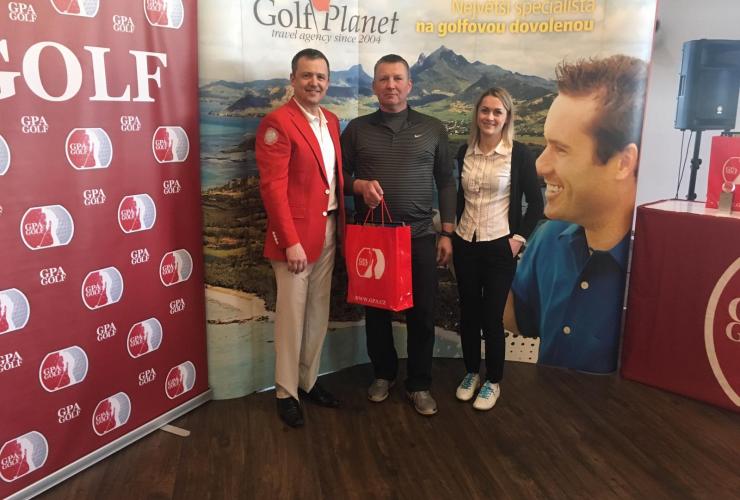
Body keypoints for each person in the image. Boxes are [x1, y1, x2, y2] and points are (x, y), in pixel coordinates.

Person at [504, 55, 648, 373]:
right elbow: (520, 321)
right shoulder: (548, 238)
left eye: (561, 149)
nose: (540, 165)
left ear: (624, 163)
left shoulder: (661, 269)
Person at [341, 54, 456, 416]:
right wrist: (358, 186)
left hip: (419, 236)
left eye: (397, 78)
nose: (390, 85)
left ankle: (419, 384)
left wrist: (447, 232)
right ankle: (383, 374)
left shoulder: (433, 128)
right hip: (374, 238)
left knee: (423, 313)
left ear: (409, 85)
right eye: (383, 79)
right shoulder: (356, 129)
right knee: (376, 311)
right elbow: (337, 179)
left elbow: (446, 181)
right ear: (374, 86)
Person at [255, 48, 345, 428]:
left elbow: (332, 178)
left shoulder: (332, 120)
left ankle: (308, 381)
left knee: (317, 313)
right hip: (294, 238)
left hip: (328, 229)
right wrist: (288, 240)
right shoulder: (278, 122)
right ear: (293, 79)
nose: (314, 83)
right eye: (307, 75)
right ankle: (285, 392)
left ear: (328, 81)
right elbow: (272, 188)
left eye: (321, 76)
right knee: (291, 318)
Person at [453, 88, 543, 410]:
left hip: (499, 247)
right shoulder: (464, 151)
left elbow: (536, 204)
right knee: (468, 314)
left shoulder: (519, 154)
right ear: (476, 114)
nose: (490, 117)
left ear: (506, 118)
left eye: (497, 112)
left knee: (492, 317)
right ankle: (470, 373)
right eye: (485, 110)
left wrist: (518, 239)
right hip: (465, 242)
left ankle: (492, 380)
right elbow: (459, 198)